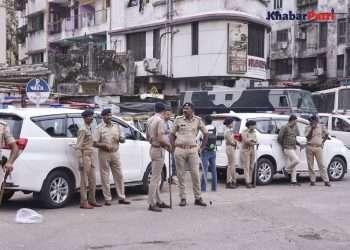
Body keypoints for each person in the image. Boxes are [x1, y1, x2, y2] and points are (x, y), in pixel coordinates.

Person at [170, 102, 208, 207]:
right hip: (180, 150)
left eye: (187, 108)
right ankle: (183, 198)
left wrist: (203, 146)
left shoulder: (198, 120)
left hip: (192, 150)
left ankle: (198, 197)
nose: (185, 110)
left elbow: (206, 133)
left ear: (192, 110)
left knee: (195, 174)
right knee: (180, 175)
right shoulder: (178, 119)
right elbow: (172, 134)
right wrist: (173, 147)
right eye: (184, 108)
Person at [94, 108, 130, 206]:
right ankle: (107, 198)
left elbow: (122, 139)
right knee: (105, 176)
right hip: (104, 153)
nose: (109, 117)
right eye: (107, 115)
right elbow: (94, 143)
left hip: (115, 153)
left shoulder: (116, 127)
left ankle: (122, 197)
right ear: (103, 117)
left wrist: (121, 139)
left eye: (110, 115)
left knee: (119, 175)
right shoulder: (99, 128)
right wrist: (104, 145)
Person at [146, 102, 172, 212]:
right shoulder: (160, 121)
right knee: (155, 178)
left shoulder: (150, 119)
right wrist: (168, 145)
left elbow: (147, 136)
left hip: (152, 147)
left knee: (156, 178)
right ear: (164, 110)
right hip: (159, 149)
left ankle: (158, 201)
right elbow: (161, 138)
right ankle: (151, 203)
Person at [75, 110, 101, 209]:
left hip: (91, 156)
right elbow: (78, 146)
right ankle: (83, 201)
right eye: (90, 117)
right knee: (84, 181)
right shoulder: (82, 129)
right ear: (85, 118)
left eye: (93, 117)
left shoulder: (90, 128)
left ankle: (92, 200)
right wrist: (80, 159)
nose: (92, 118)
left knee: (93, 180)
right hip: (85, 155)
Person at [305, 115, 331, 187]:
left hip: (318, 147)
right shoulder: (308, 127)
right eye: (312, 121)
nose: (314, 122)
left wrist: (323, 142)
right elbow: (307, 137)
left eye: (315, 121)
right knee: (310, 165)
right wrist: (312, 129)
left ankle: (326, 181)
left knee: (321, 164)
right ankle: (312, 180)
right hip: (309, 147)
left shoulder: (321, 126)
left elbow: (327, 134)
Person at [278, 115, 303, 185]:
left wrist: (299, 144)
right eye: (295, 121)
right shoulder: (284, 127)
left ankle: (294, 181)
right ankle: (285, 169)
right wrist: (283, 145)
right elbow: (279, 138)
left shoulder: (294, 128)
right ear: (292, 120)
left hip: (293, 147)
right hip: (287, 147)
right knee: (297, 160)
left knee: (295, 166)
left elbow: (294, 139)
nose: (296, 123)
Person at [199, 115, 218, 192]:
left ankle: (203, 188)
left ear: (205, 121)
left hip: (205, 151)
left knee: (205, 170)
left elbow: (198, 138)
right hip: (213, 150)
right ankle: (214, 188)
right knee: (214, 170)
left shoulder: (204, 128)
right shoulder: (214, 128)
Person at [241, 120, 258, 188]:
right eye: (254, 125)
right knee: (246, 167)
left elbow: (256, 141)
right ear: (250, 125)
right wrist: (252, 140)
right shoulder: (244, 132)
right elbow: (246, 141)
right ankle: (247, 182)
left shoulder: (254, 132)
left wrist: (252, 140)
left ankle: (250, 181)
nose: (255, 126)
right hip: (246, 150)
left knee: (251, 166)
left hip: (252, 150)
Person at [164, 109, 177, 185]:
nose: (169, 116)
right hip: (164, 146)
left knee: (173, 162)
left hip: (171, 145)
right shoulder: (161, 123)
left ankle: (172, 177)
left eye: (170, 114)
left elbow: (174, 134)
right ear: (164, 114)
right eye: (167, 114)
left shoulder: (171, 123)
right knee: (165, 162)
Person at [224, 117, 237, 189]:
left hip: (230, 148)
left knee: (230, 165)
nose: (234, 124)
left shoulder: (229, 131)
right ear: (229, 123)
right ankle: (230, 181)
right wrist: (235, 144)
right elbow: (231, 142)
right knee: (231, 165)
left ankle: (230, 181)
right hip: (230, 148)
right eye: (233, 122)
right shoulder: (228, 131)